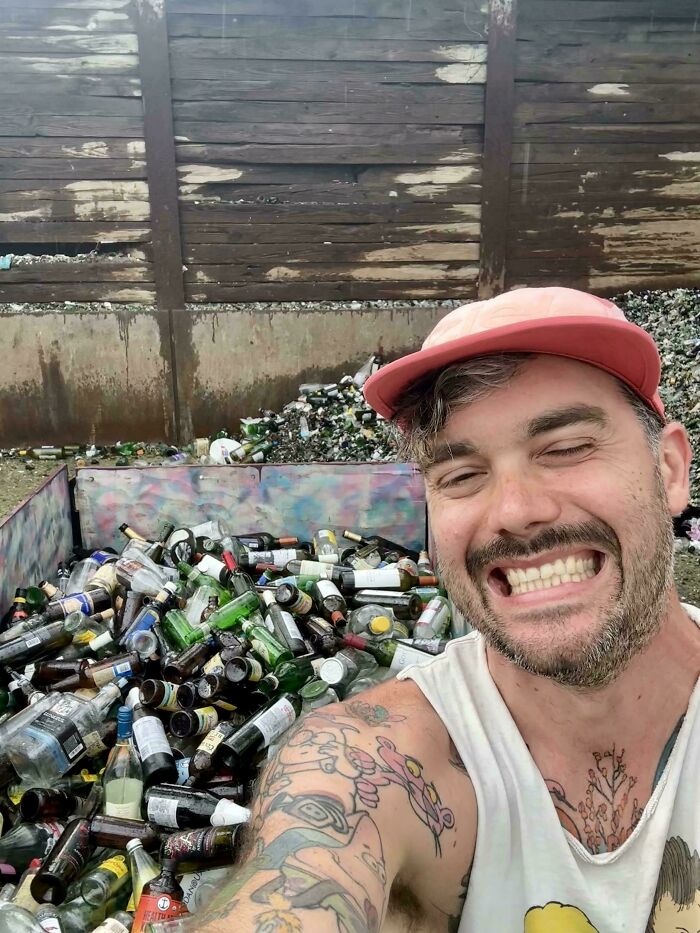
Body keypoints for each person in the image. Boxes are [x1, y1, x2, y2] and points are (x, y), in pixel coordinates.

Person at [193, 287, 700, 932]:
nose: (516, 511)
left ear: (670, 469)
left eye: (566, 448)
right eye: (461, 476)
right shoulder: (374, 762)